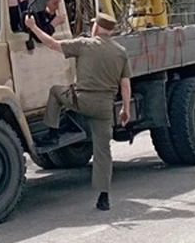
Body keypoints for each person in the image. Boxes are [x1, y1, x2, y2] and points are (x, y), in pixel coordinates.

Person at [24, 12, 132, 212]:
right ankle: (103, 197)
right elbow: (125, 85)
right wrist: (125, 109)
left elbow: (52, 44)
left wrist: (33, 27)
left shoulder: (85, 44)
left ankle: (53, 131)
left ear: (97, 28)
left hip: (81, 101)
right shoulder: (121, 52)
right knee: (103, 152)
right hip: (104, 108)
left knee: (56, 92)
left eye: (93, 25)